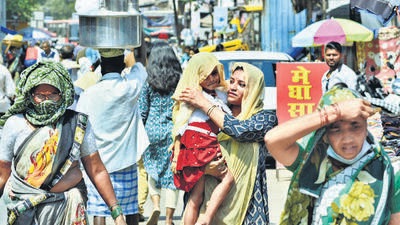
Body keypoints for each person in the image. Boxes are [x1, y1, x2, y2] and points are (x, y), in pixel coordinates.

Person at [0, 61, 127, 225]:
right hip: (24, 210)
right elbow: (2, 173)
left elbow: (96, 170)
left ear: (63, 94)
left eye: (52, 95)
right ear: (30, 96)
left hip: (69, 209)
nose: (47, 101)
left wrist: (117, 213)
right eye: (40, 96)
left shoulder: (76, 124)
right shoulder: (15, 124)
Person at [264, 85, 400, 225]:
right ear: (325, 133)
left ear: (366, 127)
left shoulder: (387, 174)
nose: (347, 139)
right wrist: (335, 112)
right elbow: (273, 140)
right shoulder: (311, 164)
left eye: (355, 126)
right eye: (336, 129)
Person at [177, 62, 278, 224]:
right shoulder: (215, 110)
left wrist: (204, 102)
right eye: (232, 81)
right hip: (206, 207)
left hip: (246, 209)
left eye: (242, 84)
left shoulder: (265, 118)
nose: (233, 87)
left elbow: (239, 130)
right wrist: (203, 168)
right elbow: (185, 145)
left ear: (253, 90)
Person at [76, 48, 149, 225]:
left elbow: (80, 128)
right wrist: (136, 46)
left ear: (101, 67)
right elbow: (141, 66)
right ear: (122, 65)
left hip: (97, 161)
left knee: (99, 210)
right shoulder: (130, 87)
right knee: (130, 209)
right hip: (126, 160)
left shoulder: (88, 94)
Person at [171, 52, 235, 225]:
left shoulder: (218, 94)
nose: (212, 79)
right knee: (224, 181)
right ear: (196, 76)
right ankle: (205, 219)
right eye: (206, 76)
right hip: (198, 145)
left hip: (203, 145)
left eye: (215, 73)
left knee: (196, 197)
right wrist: (177, 155)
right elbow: (179, 125)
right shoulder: (192, 95)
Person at [138, 41, 182, 225]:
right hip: (174, 131)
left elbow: (142, 110)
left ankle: (155, 205)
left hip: (151, 130)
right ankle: (169, 219)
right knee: (173, 175)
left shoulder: (148, 81)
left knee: (151, 169)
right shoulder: (180, 79)